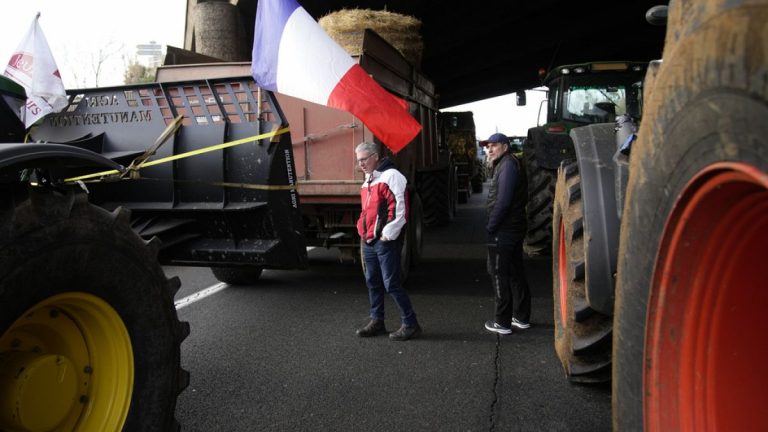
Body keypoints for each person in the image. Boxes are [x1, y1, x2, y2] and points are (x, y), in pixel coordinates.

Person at [354, 141, 421, 341]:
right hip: (369, 241)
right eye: (359, 161)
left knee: (391, 284)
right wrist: (362, 230)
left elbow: (400, 209)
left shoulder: (392, 176)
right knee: (372, 282)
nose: (361, 164)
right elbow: (367, 211)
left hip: (384, 241)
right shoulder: (369, 179)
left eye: (364, 159)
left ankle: (411, 324)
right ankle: (378, 322)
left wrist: (387, 234)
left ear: (375, 156)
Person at [480, 133, 531, 334]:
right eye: (487, 146)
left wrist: (491, 226)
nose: (489, 150)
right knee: (515, 272)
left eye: (494, 145)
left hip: (504, 229)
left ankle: (502, 322)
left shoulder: (507, 166)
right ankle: (521, 317)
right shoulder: (507, 164)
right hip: (512, 227)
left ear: (505, 146)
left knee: (498, 273)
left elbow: (503, 202)